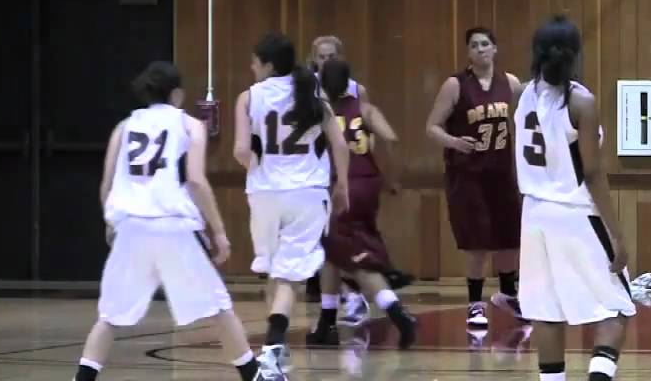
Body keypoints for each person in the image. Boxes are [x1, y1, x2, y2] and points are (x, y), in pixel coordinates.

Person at [72, 61, 261, 381]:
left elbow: (106, 185)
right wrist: (218, 231)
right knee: (218, 307)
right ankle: (254, 376)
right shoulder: (189, 125)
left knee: (109, 316)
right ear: (177, 94)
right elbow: (197, 181)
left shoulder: (124, 127)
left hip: (131, 226)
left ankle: (83, 378)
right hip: (173, 226)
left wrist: (111, 223)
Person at [513, 16, 636, 381]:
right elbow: (594, 174)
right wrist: (617, 234)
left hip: (534, 213)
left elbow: (516, 158)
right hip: (576, 212)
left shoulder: (519, 94)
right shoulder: (581, 101)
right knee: (616, 308)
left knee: (547, 312)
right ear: (575, 54)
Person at [235, 33, 351, 381]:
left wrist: (261, 167)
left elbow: (241, 152)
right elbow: (339, 144)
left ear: (268, 65)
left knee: (276, 271)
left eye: (255, 61)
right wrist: (343, 184)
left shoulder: (248, 97)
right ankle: (272, 348)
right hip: (307, 192)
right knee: (288, 277)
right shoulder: (313, 91)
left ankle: (275, 349)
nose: (252, 67)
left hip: (264, 192)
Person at [311, 58, 417, 349]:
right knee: (332, 252)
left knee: (356, 261)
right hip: (368, 183)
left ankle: (398, 314)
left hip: (339, 186)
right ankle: (326, 322)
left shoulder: (319, 112)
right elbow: (391, 139)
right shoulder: (366, 109)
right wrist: (391, 177)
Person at [425, 26, 525, 328]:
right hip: (468, 175)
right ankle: (475, 304)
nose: (480, 49)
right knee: (477, 243)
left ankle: (509, 295)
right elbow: (432, 127)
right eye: (474, 45)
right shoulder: (456, 85)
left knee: (510, 238)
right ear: (468, 53)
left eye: (485, 44)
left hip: (502, 172)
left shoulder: (510, 83)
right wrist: (454, 142)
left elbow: (523, 120)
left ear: (495, 49)